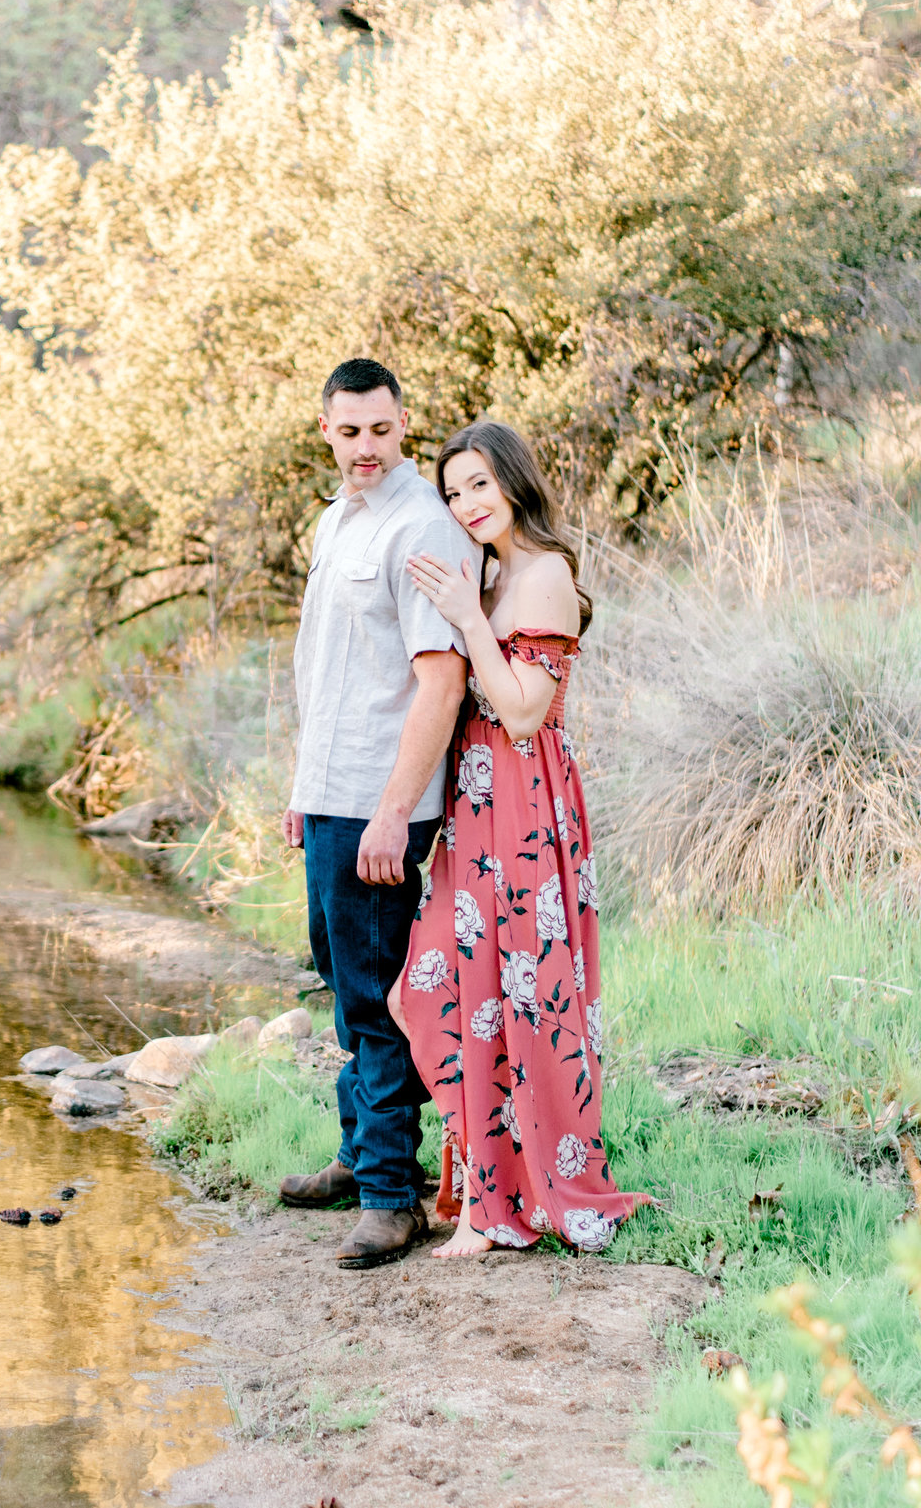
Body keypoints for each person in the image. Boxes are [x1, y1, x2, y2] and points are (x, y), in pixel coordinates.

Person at [389, 419, 650, 1255]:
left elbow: (525, 709)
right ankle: (489, 1193)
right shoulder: (494, 576)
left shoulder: (543, 578)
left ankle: (495, 1209)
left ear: (512, 479)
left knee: (518, 1000)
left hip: (525, 805)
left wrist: (467, 615)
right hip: (474, 807)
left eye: (477, 483)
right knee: (431, 993)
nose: (465, 503)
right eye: (452, 490)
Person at [277, 357, 470, 1270]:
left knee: (377, 990)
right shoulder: (334, 520)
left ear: (403, 425)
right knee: (339, 972)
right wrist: (301, 787)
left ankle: (395, 1199)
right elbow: (329, 668)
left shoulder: (421, 529)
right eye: (349, 431)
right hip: (332, 789)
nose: (366, 447)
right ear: (326, 428)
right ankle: (362, 1157)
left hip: (379, 802)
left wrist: (396, 812)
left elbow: (440, 684)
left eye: (382, 431)